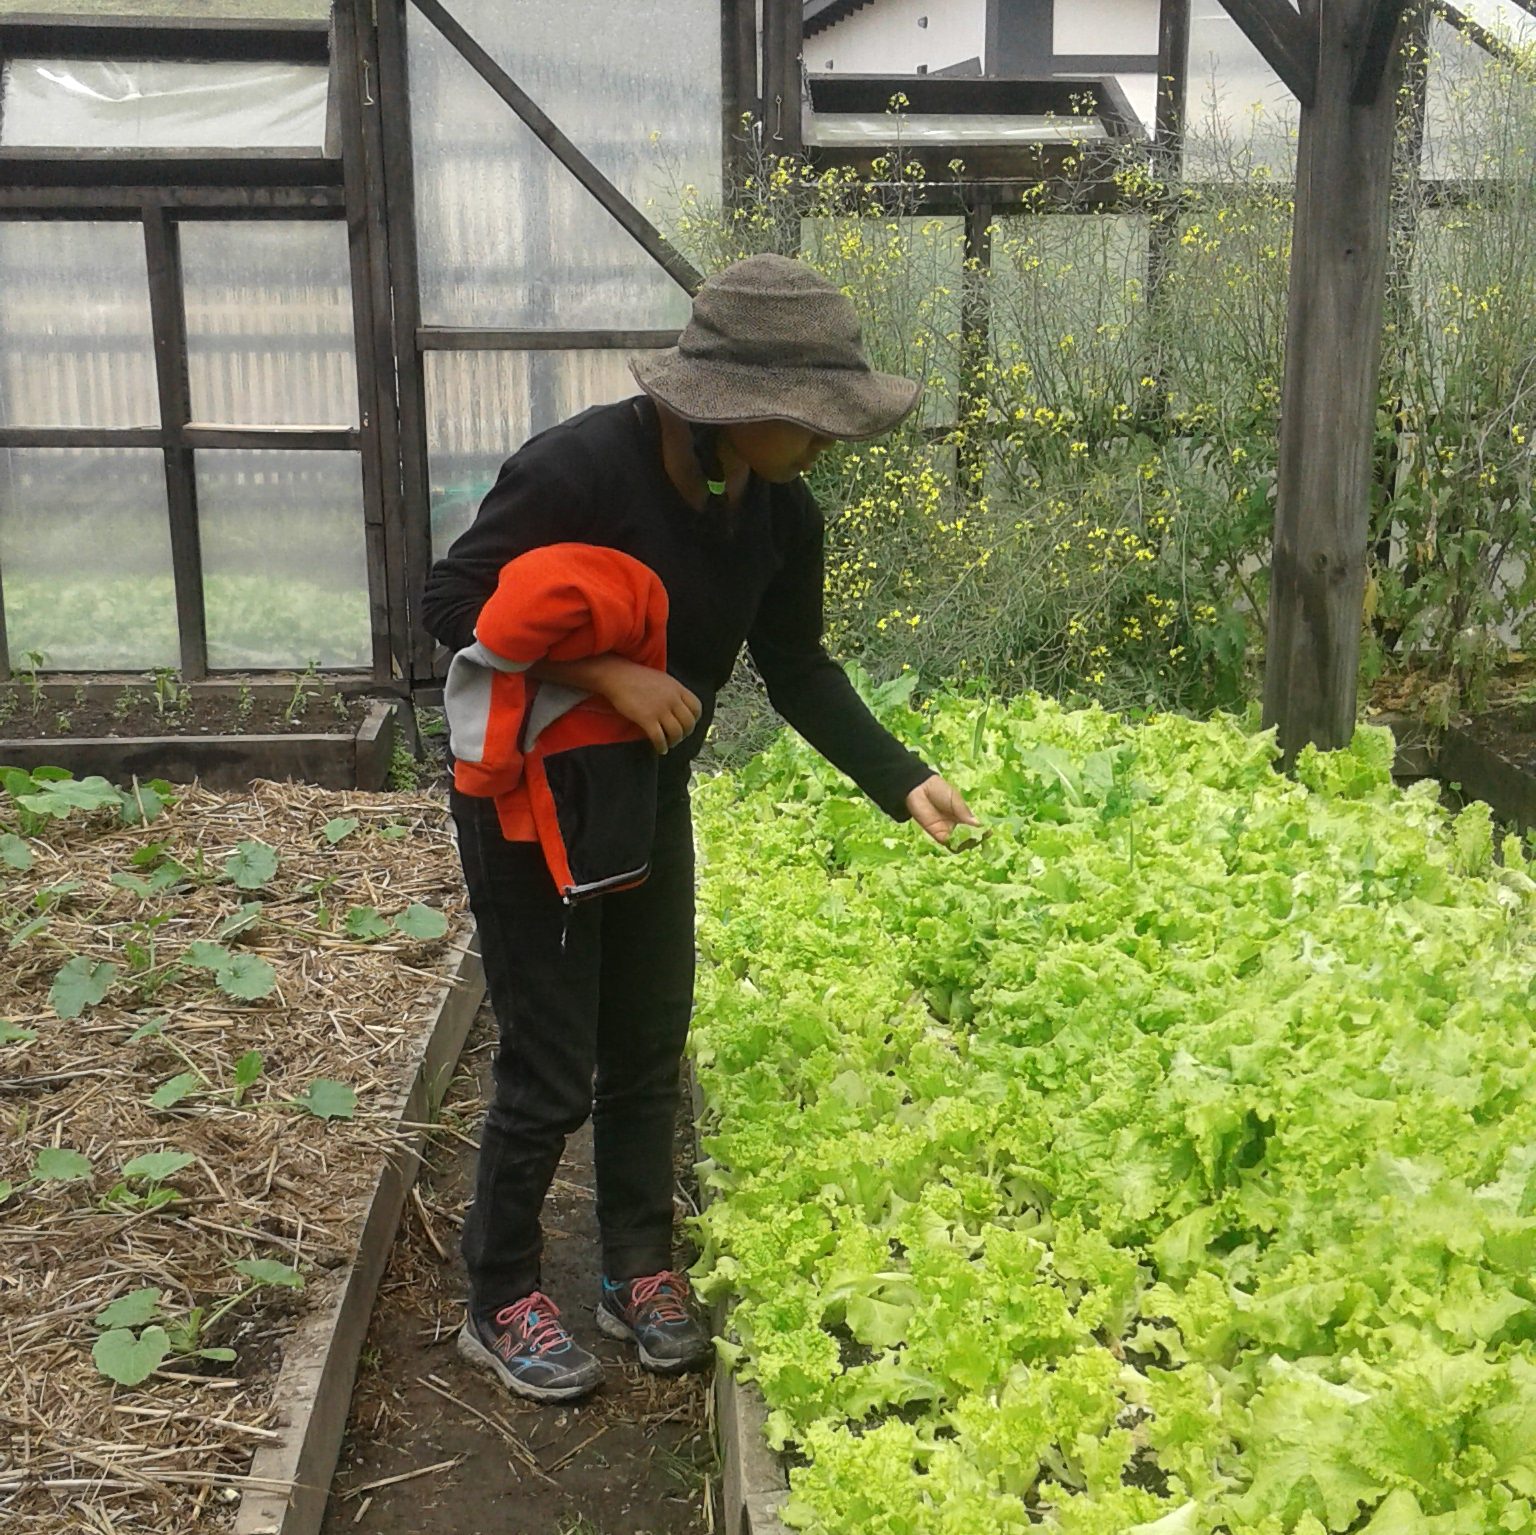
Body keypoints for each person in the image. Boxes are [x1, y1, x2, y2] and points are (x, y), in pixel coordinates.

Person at [421, 253, 977, 1403]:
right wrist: (606, 669)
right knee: (548, 1053)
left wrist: (902, 777)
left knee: (646, 1036)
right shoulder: (580, 468)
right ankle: (501, 1291)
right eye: (810, 421)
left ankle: (636, 1264)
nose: (828, 442)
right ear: (730, 412)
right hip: (530, 796)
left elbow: (797, 666)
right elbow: (448, 606)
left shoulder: (780, 512)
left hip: (646, 789)